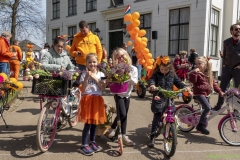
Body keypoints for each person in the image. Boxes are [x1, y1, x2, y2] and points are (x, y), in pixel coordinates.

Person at [148, 56, 189, 148]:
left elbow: (179, 83)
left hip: (169, 98)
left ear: (170, 68)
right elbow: (151, 80)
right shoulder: (156, 74)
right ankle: (152, 136)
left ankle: (172, 135)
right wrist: (152, 85)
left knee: (171, 116)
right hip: (159, 97)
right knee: (157, 116)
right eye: (162, 69)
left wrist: (185, 87)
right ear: (159, 67)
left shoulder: (172, 75)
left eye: (166, 70)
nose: (163, 71)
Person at [105, 48, 138, 146]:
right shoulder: (115, 69)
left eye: (122, 56)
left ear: (127, 55)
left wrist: (127, 76)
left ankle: (118, 132)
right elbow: (110, 81)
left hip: (127, 94)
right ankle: (120, 134)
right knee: (122, 114)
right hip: (118, 94)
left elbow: (135, 82)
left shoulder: (133, 68)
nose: (121, 58)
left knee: (124, 115)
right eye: (118, 57)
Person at [77, 53, 107, 156]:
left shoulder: (102, 74)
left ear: (97, 62)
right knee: (88, 124)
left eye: (94, 62)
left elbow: (103, 88)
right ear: (86, 63)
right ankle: (84, 144)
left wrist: (95, 78)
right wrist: (86, 78)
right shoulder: (83, 74)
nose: (92, 64)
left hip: (97, 99)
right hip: (88, 99)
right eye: (89, 62)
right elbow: (83, 89)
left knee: (95, 123)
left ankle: (92, 141)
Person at [188, 56, 224, 134]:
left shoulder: (208, 74)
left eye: (199, 63)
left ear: (205, 64)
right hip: (199, 93)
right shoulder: (196, 73)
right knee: (208, 107)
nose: (197, 65)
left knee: (206, 110)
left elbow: (214, 84)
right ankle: (201, 126)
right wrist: (194, 72)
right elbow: (193, 80)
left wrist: (220, 91)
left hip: (206, 94)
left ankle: (200, 123)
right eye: (196, 64)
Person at [213, 24, 240, 111]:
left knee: (237, 90)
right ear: (231, 31)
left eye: (239, 29)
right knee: (222, 88)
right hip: (227, 69)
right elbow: (224, 55)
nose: (238, 30)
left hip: (237, 69)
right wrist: (224, 64)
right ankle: (219, 106)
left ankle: (236, 109)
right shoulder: (226, 42)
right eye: (236, 29)